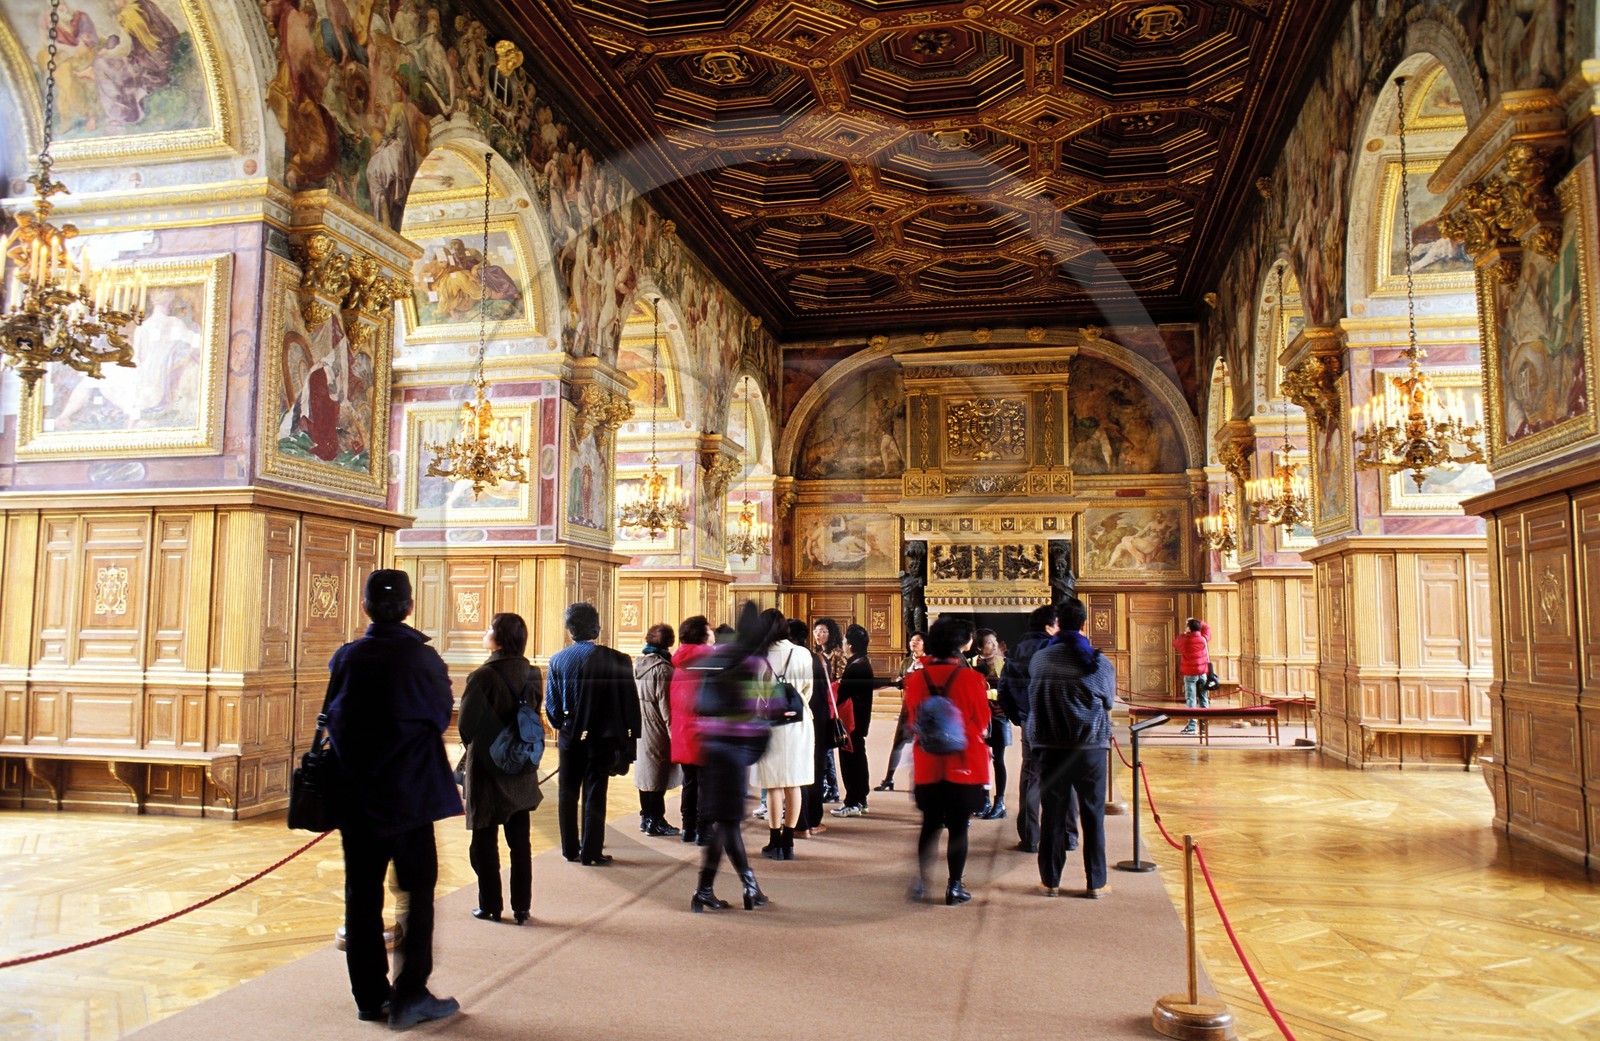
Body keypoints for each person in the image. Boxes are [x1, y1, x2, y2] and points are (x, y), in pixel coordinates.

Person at [324, 569, 461, 1029]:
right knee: (417, 894)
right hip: (411, 796)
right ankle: (411, 993)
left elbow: (335, 723)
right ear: (408, 607)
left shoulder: (347, 658)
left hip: (359, 799)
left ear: (364, 608)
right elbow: (441, 717)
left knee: (360, 896)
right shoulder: (423, 660)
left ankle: (369, 997)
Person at [458, 612, 543, 927]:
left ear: (499, 638)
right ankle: (522, 908)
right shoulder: (533, 673)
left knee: (485, 840)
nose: (484, 632)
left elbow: (466, 727)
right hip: (521, 764)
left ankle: (490, 905)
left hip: (488, 769)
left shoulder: (482, 676)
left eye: (488, 628)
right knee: (520, 843)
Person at [1028, 598, 1116, 899]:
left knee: (1052, 815)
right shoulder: (1100, 662)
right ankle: (1096, 882)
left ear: (1057, 624)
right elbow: (1108, 703)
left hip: (1050, 747)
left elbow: (1034, 701)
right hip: (1089, 747)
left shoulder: (1040, 660)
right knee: (1093, 816)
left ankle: (1050, 881)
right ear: (1083, 623)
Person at [689, 602, 771, 912]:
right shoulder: (754, 663)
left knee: (727, 822)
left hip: (712, 746)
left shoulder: (718, 655)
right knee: (727, 822)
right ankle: (717, 889)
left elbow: (700, 701)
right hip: (735, 751)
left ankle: (740, 888)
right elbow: (769, 709)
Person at [546, 602, 641, 865]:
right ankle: (591, 851)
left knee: (567, 792)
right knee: (595, 791)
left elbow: (551, 707)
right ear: (596, 627)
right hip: (601, 734)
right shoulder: (614, 659)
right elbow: (625, 704)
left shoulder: (557, 660)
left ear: (570, 630)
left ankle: (569, 848)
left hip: (568, 732)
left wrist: (564, 726)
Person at [904, 615, 991, 906]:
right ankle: (954, 886)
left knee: (930, 824)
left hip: (928, 763)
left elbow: (913, 720)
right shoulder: (972, 678)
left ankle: (921, 882)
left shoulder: (915, 679)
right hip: (963, 764)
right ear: (961, 644)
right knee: (958, 827)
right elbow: (981, 722)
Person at [755, 609, 814, 861]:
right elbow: (807, 688)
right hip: (799, 722)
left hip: (770, 722)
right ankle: (789, 842)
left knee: (773, 784)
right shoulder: (802, 653)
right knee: (794, 782)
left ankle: (774, 839)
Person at [1000, 606, 1058, 855]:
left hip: (1029, 723)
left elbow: (1003, 691)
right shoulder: (1054, 649)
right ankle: (1066, 835)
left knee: (1030, 779)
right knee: (1061, 777)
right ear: (1049, 626)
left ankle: (1029, 837)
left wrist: (1019, 718)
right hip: (1056, 723)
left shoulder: (1014, 651)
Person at [634, 623, 682, 837]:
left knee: (645, 774)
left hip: (639, 725)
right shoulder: (663, 669)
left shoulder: (637, 663)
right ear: (670, 643)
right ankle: (656, 820)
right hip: (657, 728)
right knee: (657, 776)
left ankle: (646, 817)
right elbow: (668, 709)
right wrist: (676, 737)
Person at [670, 615, 714, 845]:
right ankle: (704, 831)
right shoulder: (710, 659)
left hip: (682, 730)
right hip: (704, 729)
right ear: (703, 634)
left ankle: (688, 828)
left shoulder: (679, 659)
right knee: (706, 783)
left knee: (690, 782)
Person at [792, 619, 834, 839]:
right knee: (815, 772)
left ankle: (798, 819)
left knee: (796, 773)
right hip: (818, 722)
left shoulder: (788, 659)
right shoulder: (815, 658)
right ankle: (813, 820)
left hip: (795, 722)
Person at [831, 624, 875, 816]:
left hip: (851, 722)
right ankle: (861, 800)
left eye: (844, 641)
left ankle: (852, 802)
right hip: (859, 721)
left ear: (849, 645)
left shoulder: (856, 666)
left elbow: (842, 694)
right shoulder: (862, 662)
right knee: (858, 759)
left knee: (851, 762)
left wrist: (833, 685)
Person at [875, 631, 925, 792]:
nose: (913, 643)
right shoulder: (907, 662)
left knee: (923, 746)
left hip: (924, 709)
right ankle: (888, 779)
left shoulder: (930, 661)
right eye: (912, 640)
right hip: (908, 707)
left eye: (917, 640)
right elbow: (900, 678)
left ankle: (922, 781)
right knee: (898, 743)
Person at [970, 628, 1009, 820]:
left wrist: (985, 693)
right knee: (981, 761)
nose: (993, 645)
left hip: (999, 717)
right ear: (979, 646)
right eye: (988, 643)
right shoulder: (972, 663)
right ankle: (984, 800)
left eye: (994, 642)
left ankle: (999, 802)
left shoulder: (1003, 663)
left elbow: (1006, 692)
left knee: (998, 760)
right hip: (978, 718)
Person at [812, 617, 848, 803]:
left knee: (826, 748)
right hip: (818, 701)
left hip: (830, 703)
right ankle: (827, 786)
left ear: (831, 633)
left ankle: (832, 788)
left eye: (824, 631)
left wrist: (828, 689)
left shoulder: (837, 654)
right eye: (817, 631)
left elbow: (841, 680)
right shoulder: (815, 653)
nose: (819, 634)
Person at [1173, 617, 1213, 734]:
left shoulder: (1185, 639)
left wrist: (1186, 633)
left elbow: (1175, 642)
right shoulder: (1203, 639)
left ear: (1189, 628)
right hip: (1203, 674)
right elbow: (1208, 629)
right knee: (1203, 699)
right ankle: (1204, 726)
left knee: (1191, 700)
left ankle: (1192, 727)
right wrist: (1199, 622)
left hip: (1190, 675)